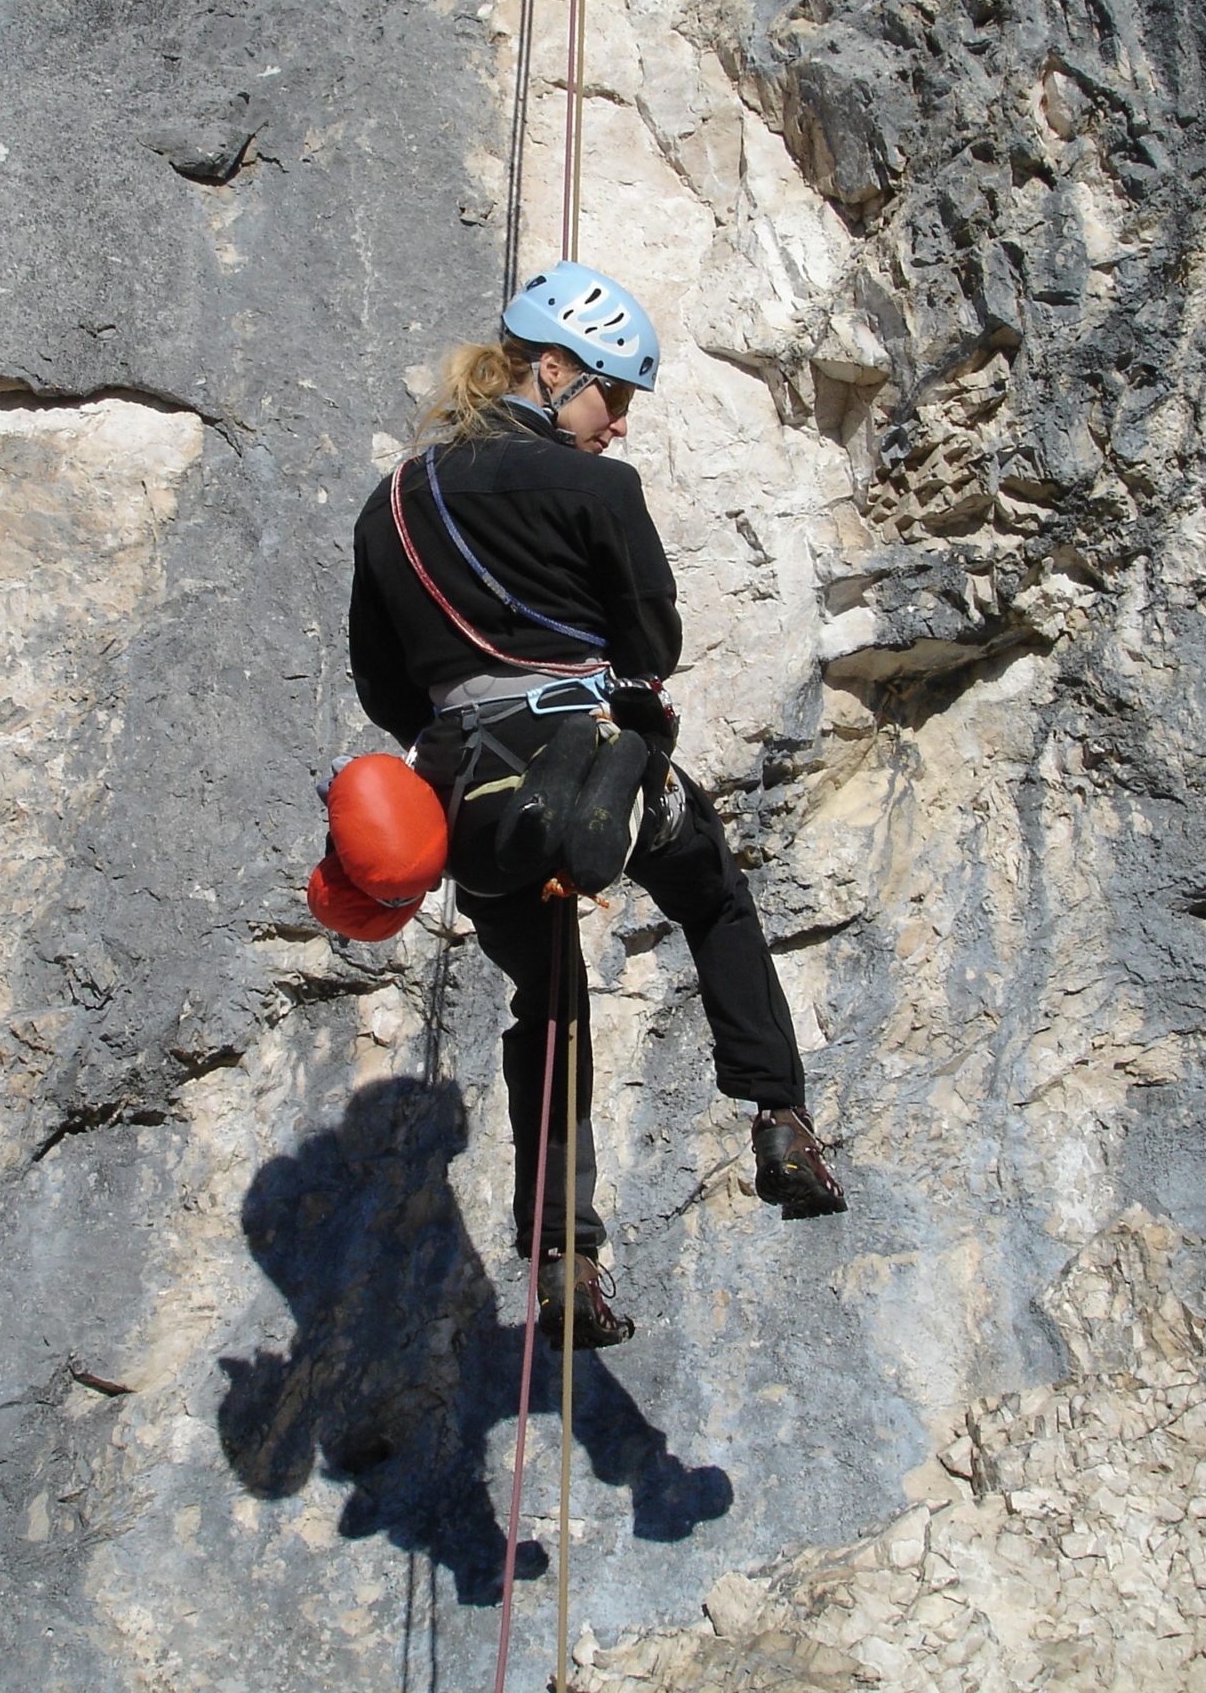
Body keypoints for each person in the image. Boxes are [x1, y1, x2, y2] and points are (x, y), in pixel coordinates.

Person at [346, 260, 845, 1352]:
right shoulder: (599, 493)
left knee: (551, 1006)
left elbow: (384, 685)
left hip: (473, 808)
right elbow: (650, 648)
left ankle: (565, 1259)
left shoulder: (387, 507)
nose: (615, 425)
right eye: (609, 396)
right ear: (553, 369)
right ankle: (778, 1117)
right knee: (710, 893)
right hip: (592, 772)